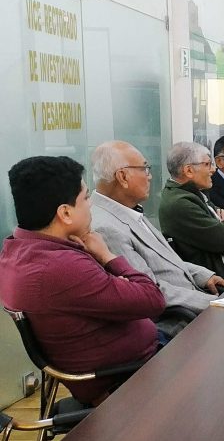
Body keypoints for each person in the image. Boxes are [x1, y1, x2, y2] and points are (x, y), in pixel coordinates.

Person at [0, 156, 166, 405]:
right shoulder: (61, 267)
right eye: (86, 198)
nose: (91, 206)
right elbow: (153, 299)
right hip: (127, 378)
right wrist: (107, 256)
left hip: (129, 360)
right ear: (65, 213)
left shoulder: (16, 249)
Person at [89, 141, 224, 335]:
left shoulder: (127, 210)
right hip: (177, 322)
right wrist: (216, 303)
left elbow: (164, 261)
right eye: (145, 169)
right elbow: (150, 289)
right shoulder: (106, 227)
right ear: (123, 176)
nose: (150, 176)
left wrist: (203, 275)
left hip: (193, 302)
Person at [158, 142, 224, 282]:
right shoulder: (180, 203)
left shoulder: (194, 193)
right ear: (189, 170)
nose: (213, 169)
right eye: (207, 164)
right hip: (223, 279)